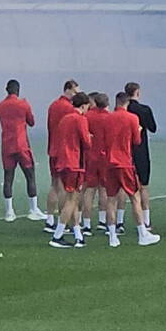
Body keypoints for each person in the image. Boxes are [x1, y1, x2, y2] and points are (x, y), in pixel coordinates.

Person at [103, 92, 161, 247]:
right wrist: (139, 130)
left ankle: (113, 236)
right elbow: (136, 141)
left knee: (111, 199)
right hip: (124, 162)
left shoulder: (107, 118)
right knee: (135, 197)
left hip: (109, 162)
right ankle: (142, 233)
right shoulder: (132, 118)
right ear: (127, 103)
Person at [0, 80, 48, 222]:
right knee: (30, 175)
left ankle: (9, 211)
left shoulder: (0, 106)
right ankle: (33, 209)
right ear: (18, 90)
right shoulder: (23, 104)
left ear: (6, 89)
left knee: (8, 177)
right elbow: (31, 122)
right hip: (21, 144)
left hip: (7, 144)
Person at [48, 92, 92, 249]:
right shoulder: (80, 119)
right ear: (84, 105)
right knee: (72, 199)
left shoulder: (65, 119)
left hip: (63, 161)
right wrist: (90, 137)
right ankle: (58, 235)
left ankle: (78, 234)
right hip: (74, 162)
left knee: (71, 198)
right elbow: (86, 142)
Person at [46, 80, 79, 230]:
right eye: (75, 92)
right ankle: (63, 221)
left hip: (52, 148)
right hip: (64, 151)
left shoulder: (53, 105)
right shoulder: (70, 109)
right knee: (65, 188)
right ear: (68, 90)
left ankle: (49, 218)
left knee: (54, 184)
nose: (76, 95)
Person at [125, 82, 157, 230]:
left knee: (121, 187)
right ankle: (146, 220)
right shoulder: (144, 110)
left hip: (124, 151)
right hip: (141, 150)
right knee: (143, 186)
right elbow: (153, 128)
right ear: (137, 92)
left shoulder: (124, 110)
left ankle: (118, 222)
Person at [83, 92, 111, 234]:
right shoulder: (110, 118)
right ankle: (102, 221)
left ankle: (86, 224)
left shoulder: (87, 116)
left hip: (90, 156)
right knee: (104, 190)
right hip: (105, 157)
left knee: (89, 190)